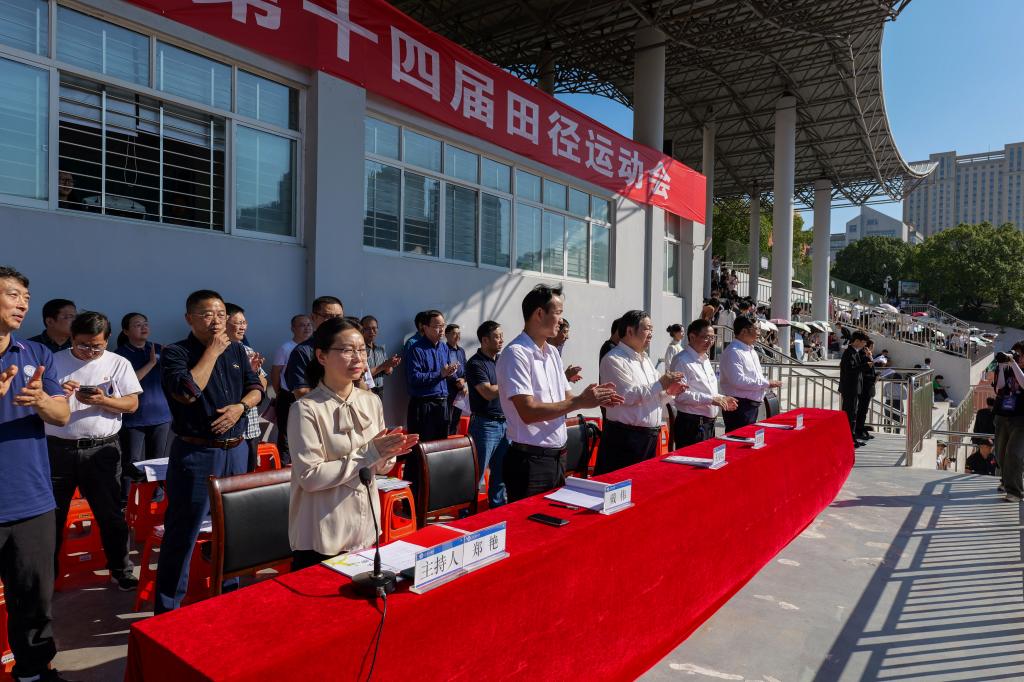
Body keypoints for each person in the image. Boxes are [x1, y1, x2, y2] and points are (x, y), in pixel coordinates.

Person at [155, 289, 264, 613]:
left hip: (236, 450)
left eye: (220, 314)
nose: (216, 321)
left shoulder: (238, 350)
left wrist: (241, 407)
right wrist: (213, 352)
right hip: (197, 454)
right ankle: (168, 610)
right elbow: (187, 392)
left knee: (232, 528)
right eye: (206, 314)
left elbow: (257, 388)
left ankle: (228, 596)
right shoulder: (175, 353)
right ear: (189, 318)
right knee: (184, 531)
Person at [287, 318, 417, 570]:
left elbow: (379, 468)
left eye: (361, 350)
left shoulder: (371, 401)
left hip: (365, 528)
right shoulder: (306, 409)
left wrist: (388, 454)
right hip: (323, 532)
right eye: (347, 350)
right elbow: (310, 477)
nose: (358, 358)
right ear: (322, 356)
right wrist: (371, 453)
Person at [0, 265, 72, 682]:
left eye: (26, 298)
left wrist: (40, 400)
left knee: (33, 601)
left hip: (32, 502)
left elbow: (62, 414)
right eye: (13, 295)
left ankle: (32, 673)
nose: (23, 304)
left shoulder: (36, 355)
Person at [497, 284, 623, 502]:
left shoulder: (552, 353)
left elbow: (567, 399)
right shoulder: (516, 354)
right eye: (558, 313)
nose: (562, 321)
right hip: (530, 460)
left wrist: (592, 399)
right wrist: (579, 402)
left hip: (558, 457)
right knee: (530, 522)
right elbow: (528, 411)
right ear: (539, 313)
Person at [47, 311, 140, 591]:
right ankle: (48, 576)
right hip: (57, 450)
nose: (90, 351)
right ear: (71, 338)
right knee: (52, 517)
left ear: (107, 340)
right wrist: (58, 394)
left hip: (102, 450)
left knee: (110, 513)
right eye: (83, 345)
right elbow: (37, 401)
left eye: (97, 346)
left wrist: (104, 400)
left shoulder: (118, 363)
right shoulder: (52, 361)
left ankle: (121, 570)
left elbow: (132, 404)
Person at [596, 310, 686, 474]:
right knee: (621, 483)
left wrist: (669, 391)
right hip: (625, 439)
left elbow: (654, 396)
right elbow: (627, 395)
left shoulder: (645, 359)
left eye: (652, 329)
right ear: (630, 331)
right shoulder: (613, 359)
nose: (651, 334)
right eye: (647, 329)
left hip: (648, 437)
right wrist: (661, 383)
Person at [115, 312, 173, 502]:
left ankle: (156, 499)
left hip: (161, 415)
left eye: (145, 323)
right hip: (134, 417)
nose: (144, 327)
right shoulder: (120, 354)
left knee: (157, 461)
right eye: (137, 324)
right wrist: (151, 363)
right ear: (126, 331)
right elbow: (126, 385)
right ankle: (127, 500)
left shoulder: (157, 348)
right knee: (132, 461)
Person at [280, 296, 345, 463]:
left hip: (348, 424)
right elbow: (302, 394)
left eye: (338, 316)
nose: (334, 321)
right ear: (314, 317)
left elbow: (363, 387)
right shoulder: (303, 352)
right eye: (328, 316)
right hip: (319, 427)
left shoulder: (349, 348)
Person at [671, 319, 738, 447]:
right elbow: (680, 395)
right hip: (692, 425)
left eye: (712, 338)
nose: (710, 342)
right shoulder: (682, 360)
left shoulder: (705, 359)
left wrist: (722, 398)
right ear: (692, 337)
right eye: (706, 337)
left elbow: (707, 391)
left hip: (708, 424)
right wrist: (711, 400)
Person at [465, 321, 510, 507]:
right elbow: (487, 392)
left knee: (501, 474)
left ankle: (497, 509)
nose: (501, 340)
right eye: (497, 337)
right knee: (476, 474)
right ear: (484, 340)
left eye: (501, 336)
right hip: (485, 425)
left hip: (505, 424)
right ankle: (467, 512)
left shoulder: (502, 361)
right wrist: (510, 383)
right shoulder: (475, 364)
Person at [718, 315, 781, 432]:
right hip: (739, 406)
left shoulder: (750, 350)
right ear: (743, 331)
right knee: (739, 439)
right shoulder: (733, 352)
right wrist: (766, 383)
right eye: (756, 329)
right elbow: (738, 381)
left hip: (750, 406)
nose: (759, 333)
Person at [225, 303, 268, 472]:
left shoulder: (248, 350)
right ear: (224, 322)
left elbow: (263, 385)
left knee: (249, 475)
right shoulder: (214, 352)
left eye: (245, 323)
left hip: (251, 426)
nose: (243, 327)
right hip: (230, 428)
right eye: (239, 323)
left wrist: (254, 372)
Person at [992, 343, 1024, 502]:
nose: (1019, 358)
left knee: (1013, 453)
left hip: (1021, 419)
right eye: (1017, 355)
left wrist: (1013, 363)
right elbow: (999, 388)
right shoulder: (1008, 367)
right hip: (1003, 415)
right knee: (1000, 453)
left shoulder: (1016, 367)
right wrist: (1002, 367)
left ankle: (1015, 491)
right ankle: (1006, 481)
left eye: (1021, 355)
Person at [270, 314, 312, 397]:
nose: (307, 328)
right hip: (290, 395)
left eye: (309, 324)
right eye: (302, 325)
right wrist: (279, 394)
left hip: (311, 394)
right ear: (293, 329)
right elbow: (275, 373)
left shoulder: (315, 346)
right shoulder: (284, 348)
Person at [839, 330, 869, 447]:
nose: (864, 344)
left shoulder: (855, 352)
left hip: (854, 388)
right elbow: (850, 370)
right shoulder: (849, 353)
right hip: (849, 388)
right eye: (863, 342)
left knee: (853, 414)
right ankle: (848, 439)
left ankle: (852, 437)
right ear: (856, 341)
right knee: (849, 414)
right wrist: (865, 366)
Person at [361, 315, 400, 400]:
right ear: (361, 330)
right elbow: (362, 376)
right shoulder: (360, 350)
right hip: (365, 391)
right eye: (368, 329)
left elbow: (388, 372)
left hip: (380, 390)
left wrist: (390, 365)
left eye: (374, 328)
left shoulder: (380, 349)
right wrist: (383, 365)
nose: (372, 331)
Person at [444, 323, 468, 435]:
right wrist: (457, 382)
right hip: (448, 389)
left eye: (459, 333)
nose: (457, 336)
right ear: (446, 335)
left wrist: (464, 380)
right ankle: (445, 440)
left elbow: (466, 368)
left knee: (456, 418)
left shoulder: (461, 350)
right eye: (454, 333)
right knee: (447, 419)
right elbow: (445, 368)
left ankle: (452, 438)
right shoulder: (443, 349)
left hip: (460, 390)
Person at [855, 338, 877, 441]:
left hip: (867, 385)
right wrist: (874, 378)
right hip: (865, 387)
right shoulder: (863, 356)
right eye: (872, 347)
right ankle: (859, 430)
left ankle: (860, 429)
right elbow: (864, 373)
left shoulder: (867, 356)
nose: (873, 349)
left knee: (863, 410)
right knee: (862, 409)